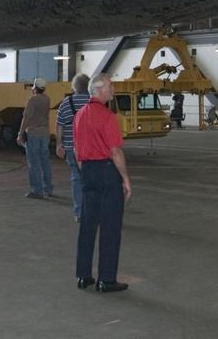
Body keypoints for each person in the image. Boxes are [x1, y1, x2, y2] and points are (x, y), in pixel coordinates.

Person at [73, 74, 132, 293]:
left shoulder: (79, 115)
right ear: (99, 90)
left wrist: (87, 172)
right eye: (110, 85)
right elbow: (115, 152)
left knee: (88, 224)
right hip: (107, 172)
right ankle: (106, 279)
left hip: (87, 170)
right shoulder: (107, 116)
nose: (113, 88)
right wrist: (125, 179)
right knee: (110, 226)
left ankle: (84, 274)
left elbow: (78, 152)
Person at [56, 73, 92, 221]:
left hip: (71, 147)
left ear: (74, 86)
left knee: (76, 178)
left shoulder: (66, 102)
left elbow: (60, 125)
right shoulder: (93, 102)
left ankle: (79, 213)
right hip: (91, 148)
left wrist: (59, 144)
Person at [16, 78, 53, 199]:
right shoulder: (47, 99)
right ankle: (48, 188)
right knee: (45, 162)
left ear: (35, 87)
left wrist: (20, 134)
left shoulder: (32, 100)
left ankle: (37, 190)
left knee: (34, 163)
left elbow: (26, 118)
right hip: (44, 133)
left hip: (33, 134)